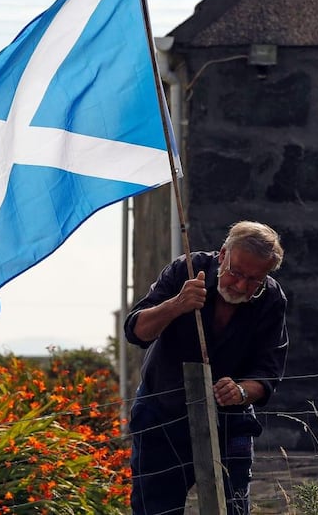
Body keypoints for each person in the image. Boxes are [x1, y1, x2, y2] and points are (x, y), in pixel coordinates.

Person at [124, 220, 289, 515]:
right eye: (236, 273)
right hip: (161, 415)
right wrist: (177, 304)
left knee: (233, 510)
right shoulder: (185, 270)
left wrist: (240, 391)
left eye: (254, 280)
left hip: (230, 423)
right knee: (154, 510)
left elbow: (267, 374)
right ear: (223, 254)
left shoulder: (272, 299)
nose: (240, 286)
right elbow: (136, 331)